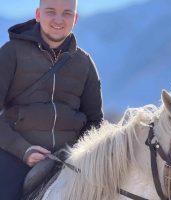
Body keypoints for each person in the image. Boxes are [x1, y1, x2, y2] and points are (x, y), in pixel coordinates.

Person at [0, 0, 103, 199]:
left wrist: (78, 155)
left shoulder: (84, 63)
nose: (58, 20)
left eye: (66, 13)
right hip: (13, 156)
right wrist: (24, 150)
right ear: (38, 14)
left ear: (75, 18)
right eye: (51, 12)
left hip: (70, 163)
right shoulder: (10, 53)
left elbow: (95, 121)